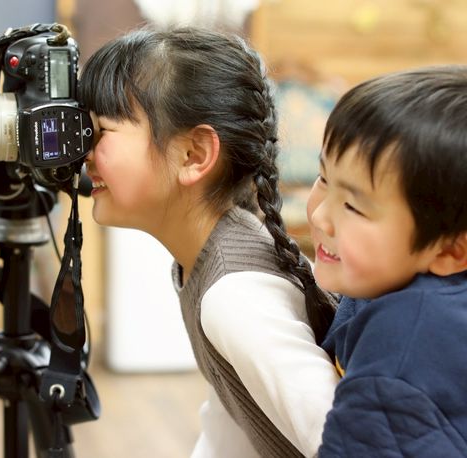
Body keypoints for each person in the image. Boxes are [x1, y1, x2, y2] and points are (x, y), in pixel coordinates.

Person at [79, 26, 340, 457]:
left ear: (194, 155)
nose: (84, 153)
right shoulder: (209, 258)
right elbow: (230, 423)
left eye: (102, 131)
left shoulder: (235, 294)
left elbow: (348, 440)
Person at [306, 66, 467, 456]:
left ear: (449, 250)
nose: (321, 216)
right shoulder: (386, 280)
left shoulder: (404, 349)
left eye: (353, 206)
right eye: (324, 178)